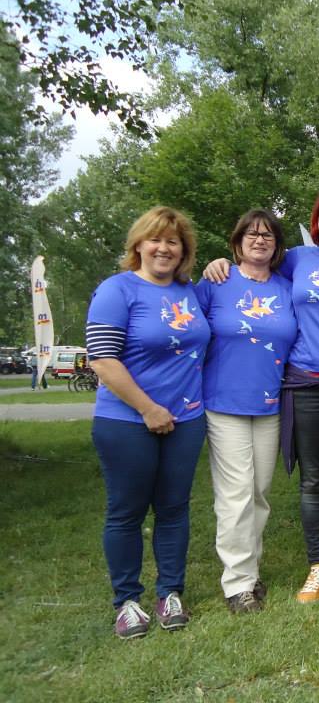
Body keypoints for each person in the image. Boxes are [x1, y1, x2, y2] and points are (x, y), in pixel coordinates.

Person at [204, 190, 319, 602]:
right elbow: (253, 266)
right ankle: (318, 564)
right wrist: (219, 263)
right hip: (304, 384)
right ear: (316, 224)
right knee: (314, 480)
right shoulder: (296, 260)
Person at [86, 207, 211, 639]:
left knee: (174, 508)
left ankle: (170, 593)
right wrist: (148, 409)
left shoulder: (190, 293)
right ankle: (127, 601)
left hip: (187, 418)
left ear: (183, 250)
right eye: (155, 239)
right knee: (126, 511)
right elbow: (103, 359)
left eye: (173, 241)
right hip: (126, 420)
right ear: (138, 244)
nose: (163, 248)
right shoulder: (116, 290)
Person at [196, 210, 298, 614]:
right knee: (236, 493)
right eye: (251, 234)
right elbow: (188, 333)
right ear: (237, 242)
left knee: (259, 492)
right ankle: (238, 583)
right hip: (224, 403)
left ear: (277, 245)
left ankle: (250, 571)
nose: (259, 240)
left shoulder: (287, 288)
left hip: (270, 403)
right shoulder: (215, 283)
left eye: (267, 235)